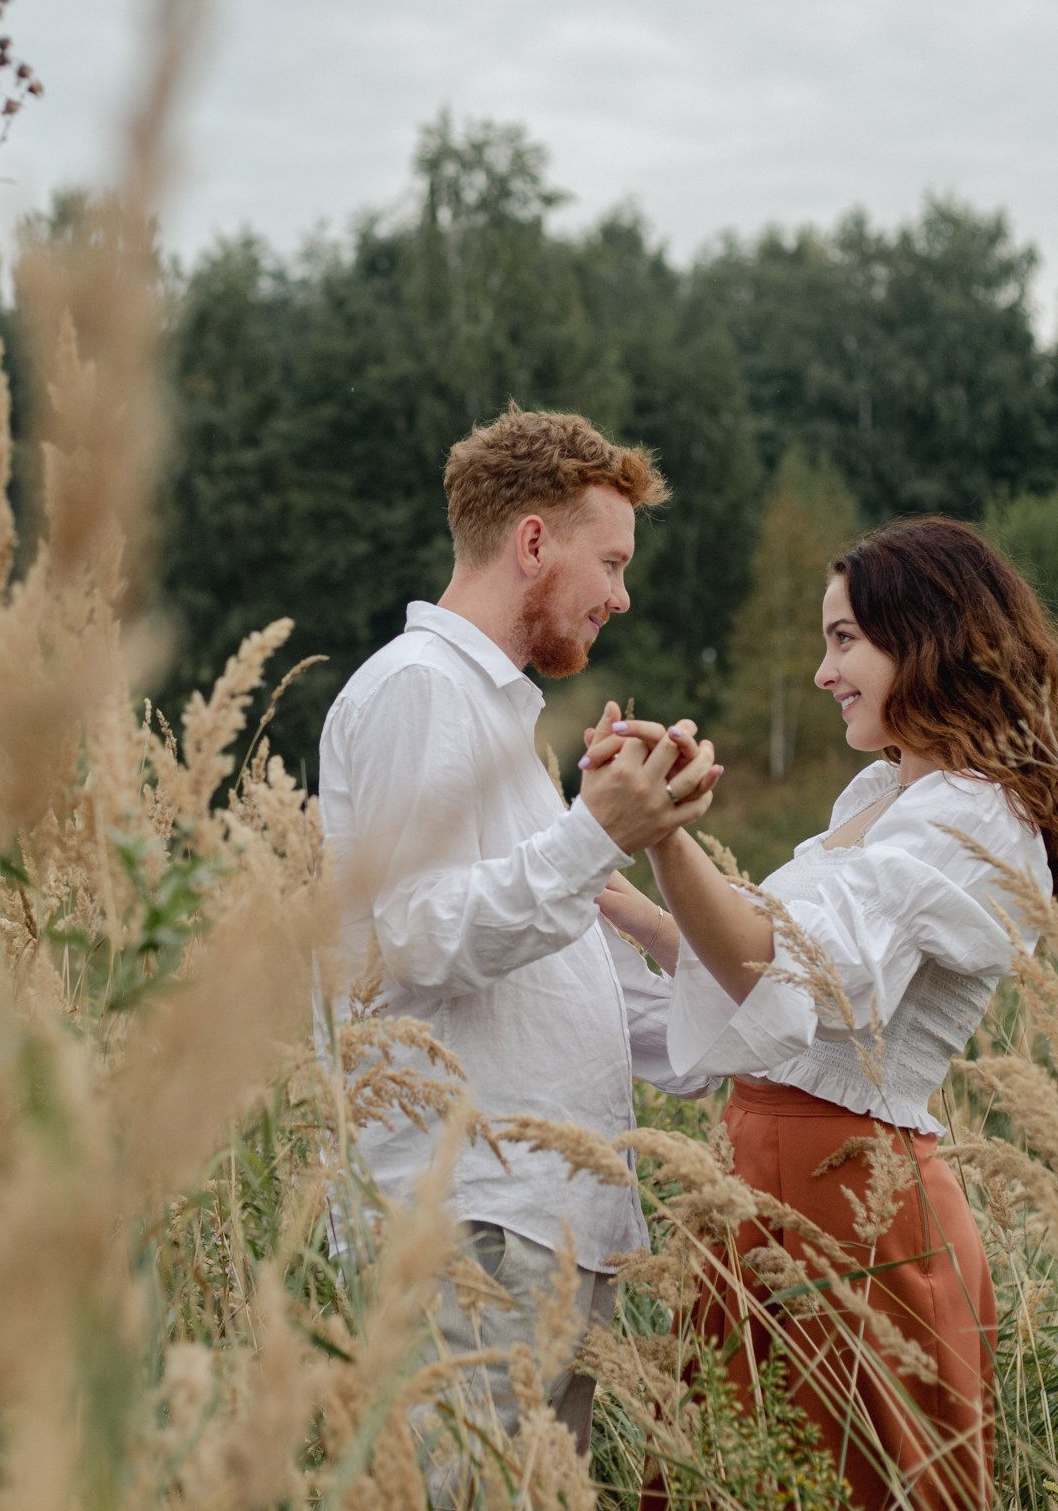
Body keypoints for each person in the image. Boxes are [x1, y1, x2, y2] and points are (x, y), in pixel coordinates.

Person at [590, 516, 1058, 1509]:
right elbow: (765, 987)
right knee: (736, 1482)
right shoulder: (884, 791)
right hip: (774, 1185)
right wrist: (622, 896)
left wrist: (665, 836)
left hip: (851, 1200)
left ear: (930, 639)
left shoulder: (972, 813)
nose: (823, 671)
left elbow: (799, 971)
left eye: (844, 641)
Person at [318, 407, 724, 1460]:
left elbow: (548, 981)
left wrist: (741, 1005)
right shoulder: (421, 690)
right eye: (612, 560)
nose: (623, 595)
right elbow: (413, 934)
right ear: (534, 543)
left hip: (533, 1226)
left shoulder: (502, 724)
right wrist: (597, 833)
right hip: (474, 1227)